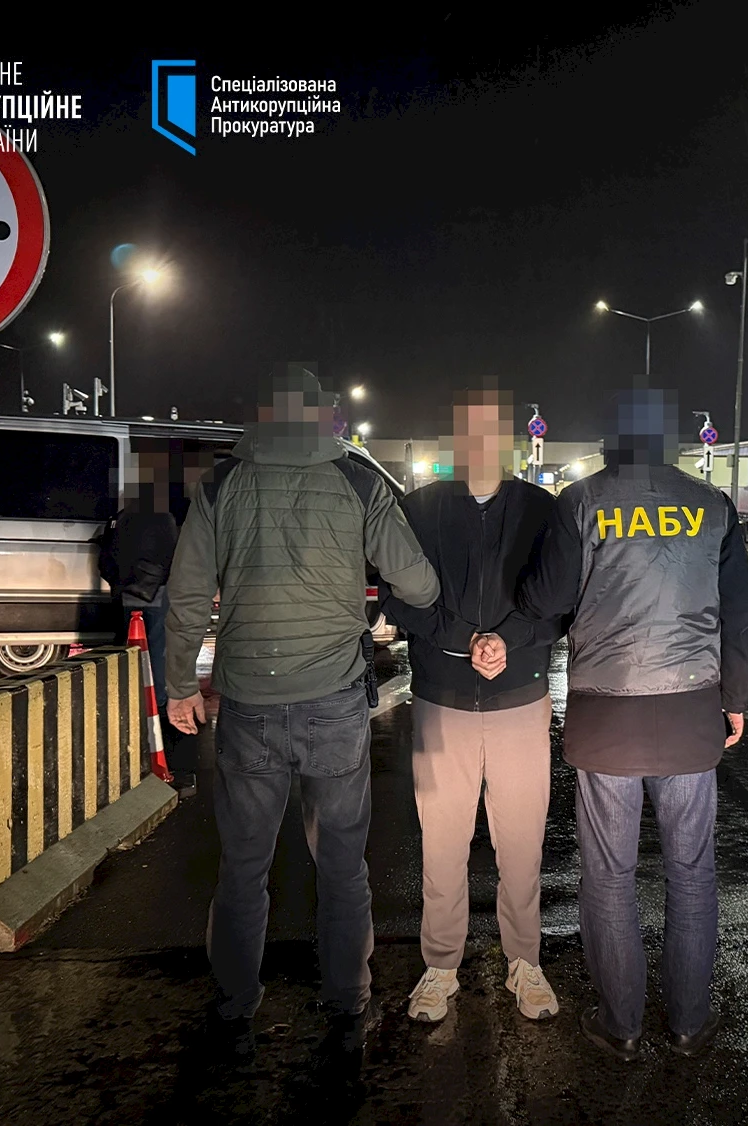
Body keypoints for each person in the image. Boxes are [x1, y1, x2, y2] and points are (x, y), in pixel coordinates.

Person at [163, 364, 439, 1054]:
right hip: (333, 702)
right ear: (324, 417)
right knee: (342, 863)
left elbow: (187, 593)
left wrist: (179, 684)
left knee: (243, 866)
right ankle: (348, 1001)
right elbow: (419, 585)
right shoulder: (359, 481)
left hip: (249, 704)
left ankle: (235, 1005)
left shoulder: (222, 483)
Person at [517, 386, 748, 1062]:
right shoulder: (712, 506)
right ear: (673, 438)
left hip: (607, 720)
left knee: (609, 877)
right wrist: (734, 698)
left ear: (611, 437)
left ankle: (620, 1024)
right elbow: (739, 614)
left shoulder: (581, 501)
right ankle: (688, 1023)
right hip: (689, 714)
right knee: (692, 872)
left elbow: (546, 599)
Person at [379, 385, 567, 1024]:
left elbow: (561, 601)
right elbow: (397, 596)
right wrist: (465, 640)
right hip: (443, 700)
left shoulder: (543, 511)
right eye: (469, 431)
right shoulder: (419, 509)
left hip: (520, 698)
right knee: (442, 842)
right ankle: (440, 967)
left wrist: (508, 640)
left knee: (522, 841)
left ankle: (525, 961)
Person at [98, 461, 186, 781]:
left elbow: (106, 558)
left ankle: (128, 700)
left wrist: (119, 584)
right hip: (157, 595)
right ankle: (157, 704)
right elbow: (175, 558)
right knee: (158, 650)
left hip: (127, 595)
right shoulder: (165, 519)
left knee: (129, 649)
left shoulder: (123, 518)